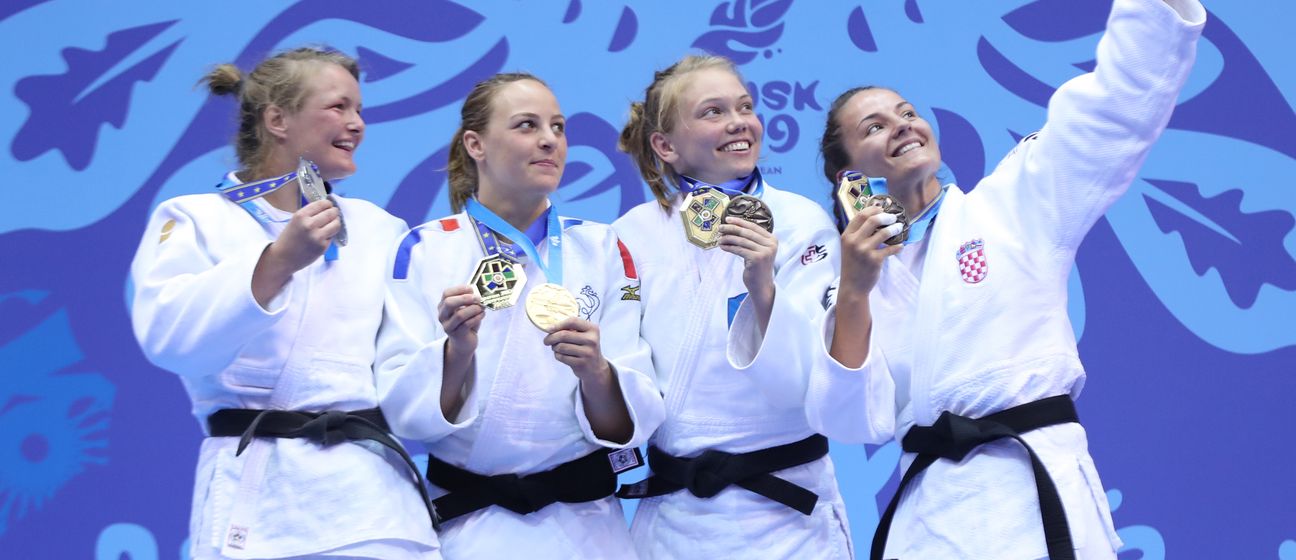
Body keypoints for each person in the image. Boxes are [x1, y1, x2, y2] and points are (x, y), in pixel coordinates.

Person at [813, 1, 1206, 558]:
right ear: (848, 174)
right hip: (932, 515)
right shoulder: (845, 274)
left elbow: (1110, 111)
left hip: (1032, 491)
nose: (901, 125)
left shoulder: (1015, 203)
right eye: (874, 127)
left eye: (906, 113)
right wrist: (854, 289)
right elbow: (849, 417)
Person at [130, 47, 439, 559]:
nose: (356, 123)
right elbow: (170, 342)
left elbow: (409, 367)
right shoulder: (193, 219)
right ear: (277, 119)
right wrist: (276, 262)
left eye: (359, 110)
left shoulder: (381, 231)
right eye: (338, 107)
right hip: (261, 499)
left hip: (374, 507)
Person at [374, 72, 664, 559]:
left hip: (588, 529)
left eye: (558, 126)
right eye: (527, 126)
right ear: (476, 144)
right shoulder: (421, 249)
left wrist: (597, 372)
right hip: (471, 526)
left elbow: (631, 424)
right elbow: (406, 417)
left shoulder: (603, 247)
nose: (550, 140)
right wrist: (457, 353)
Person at [613, 55, 851, 558]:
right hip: (675, 517)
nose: (739, 121)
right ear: (665, 146)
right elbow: (621, 369)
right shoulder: (631, 233)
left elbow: (805, 383)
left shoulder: (799, 221)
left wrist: (762, 286)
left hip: (787, 514)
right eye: (713, 112)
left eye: (745, 106)